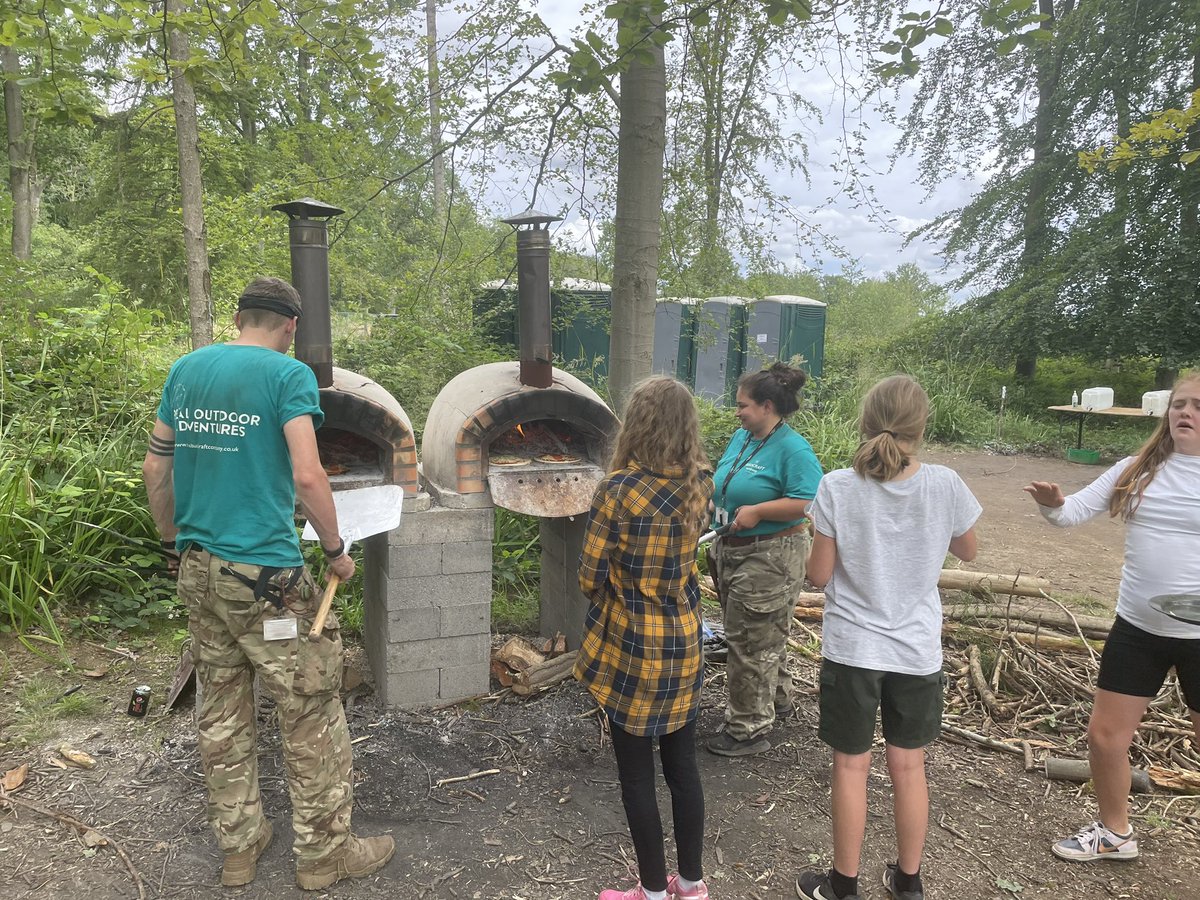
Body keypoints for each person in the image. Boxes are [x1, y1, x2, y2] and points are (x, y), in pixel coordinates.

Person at [142, 276, 395, 891]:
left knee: (222, 708)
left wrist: (174, 542)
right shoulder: (288, 377)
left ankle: (240, 845)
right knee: (310, 707)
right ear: (289, 327)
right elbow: (309, 477)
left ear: (238, 318)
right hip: (266, 579)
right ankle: (323, 856)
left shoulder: (187, 370)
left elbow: (156, 464)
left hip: (199, 569)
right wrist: (336, 551)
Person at [797, 375, 980, 900]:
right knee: (909, 765)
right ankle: (908, 881)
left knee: (851, 767)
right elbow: (968, 551)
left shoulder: (836, 486)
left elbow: (819, 576)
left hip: (854, 647)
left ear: (865, 420)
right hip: (916, 648)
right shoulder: (945, 483)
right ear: (921, 426)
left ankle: (843, 886)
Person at [1024, 372, 1200, 863]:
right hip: (1139, 627)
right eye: (1179, 404)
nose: (1184, 412)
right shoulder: (1138, 467)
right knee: (1104, 736)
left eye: (1198, 407)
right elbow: (1070, 514)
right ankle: (1115, 833)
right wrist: (1051, 503)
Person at [574, 376, 714, 900]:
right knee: (683, 767)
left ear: (637, 424)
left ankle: (654, 891)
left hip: (633, 646)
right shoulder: (703, 480)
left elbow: (589, 576)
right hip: (683, 639)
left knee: (636, 776)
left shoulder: (618, 490)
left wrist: (621, 586)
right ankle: (693, 884)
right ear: (686, 426)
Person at [705, 362, 823, 757]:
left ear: (768, 406)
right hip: (731, 549)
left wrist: (758, 511)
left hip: (772, 553)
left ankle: (747, 728)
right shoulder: (744, 437)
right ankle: (778, 699)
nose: (737, 412)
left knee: (750, 641)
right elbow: (726, 481)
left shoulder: (794, 450)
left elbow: (808, 502)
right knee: (760, 631)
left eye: (743, 405)